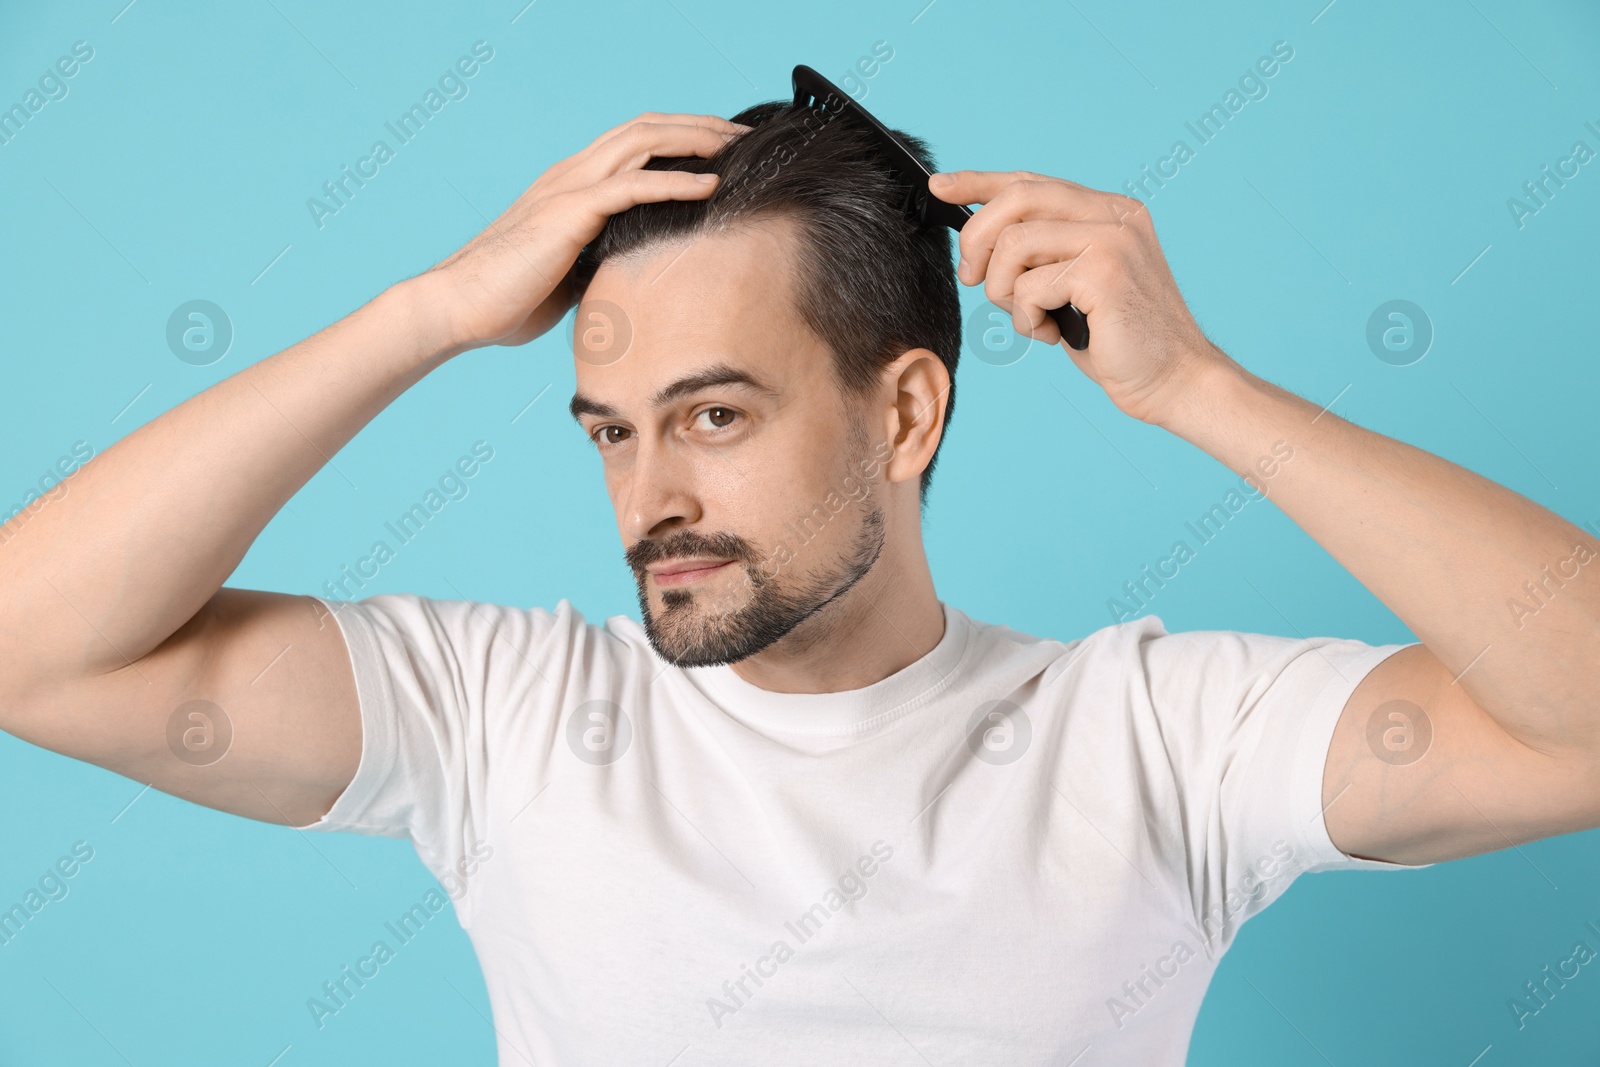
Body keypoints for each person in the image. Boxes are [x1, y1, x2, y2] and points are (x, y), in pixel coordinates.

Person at [2, 96, 1596, 1066]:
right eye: (610, 433)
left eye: (713, 415)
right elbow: (34, 651)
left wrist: (1198, 390)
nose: (651, 498)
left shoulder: (1154, 737)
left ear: (904, 411)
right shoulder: (502, 716)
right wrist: (426, 313)